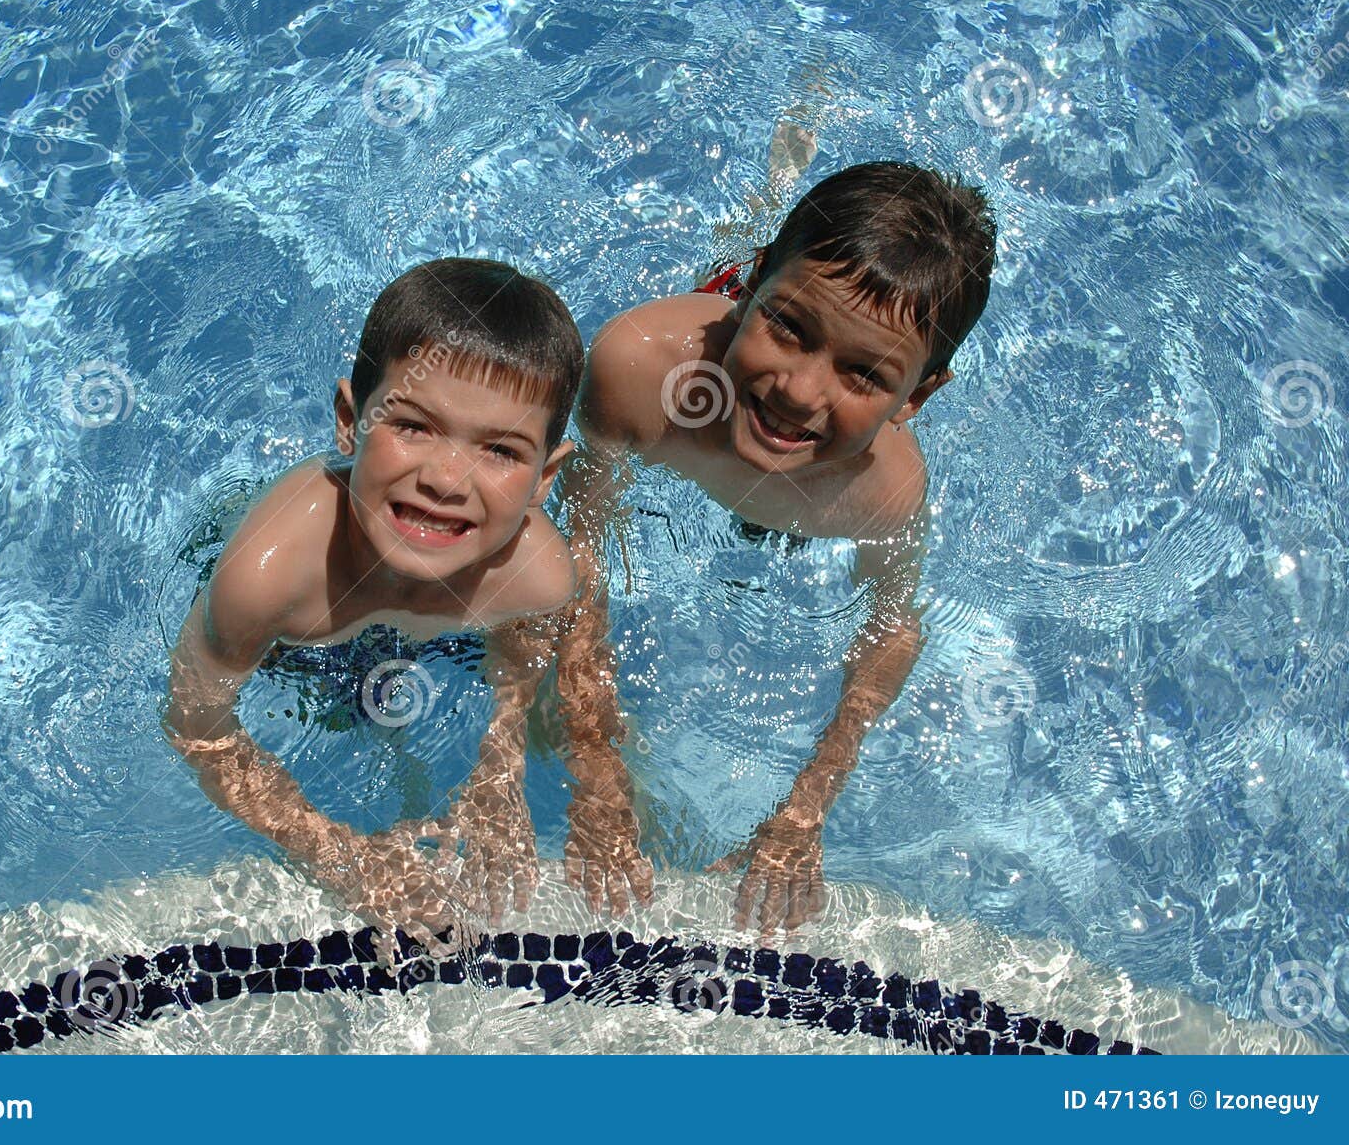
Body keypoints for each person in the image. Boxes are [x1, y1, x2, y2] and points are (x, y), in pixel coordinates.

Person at [558, 161, 997, 936]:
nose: (798, 392)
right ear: (755, 291)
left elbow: (892, 630)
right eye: (788, 328)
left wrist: (805, 810)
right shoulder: (640, 370)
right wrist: (592, 751)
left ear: (917, 398)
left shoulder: (882, 493)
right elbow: (578, 540)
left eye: (864, 374)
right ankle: (773, 189)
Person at [162, 257, 583, 948]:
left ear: (545, 479)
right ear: (348, 423)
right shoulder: (268, 576)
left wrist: (499, 768)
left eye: (502, 451)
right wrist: (344, 859)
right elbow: (196, 724)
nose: (446, 479)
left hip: (424, 637)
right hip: (295, 653)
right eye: (413, 426)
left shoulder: (535, 577)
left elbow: (524, 657)